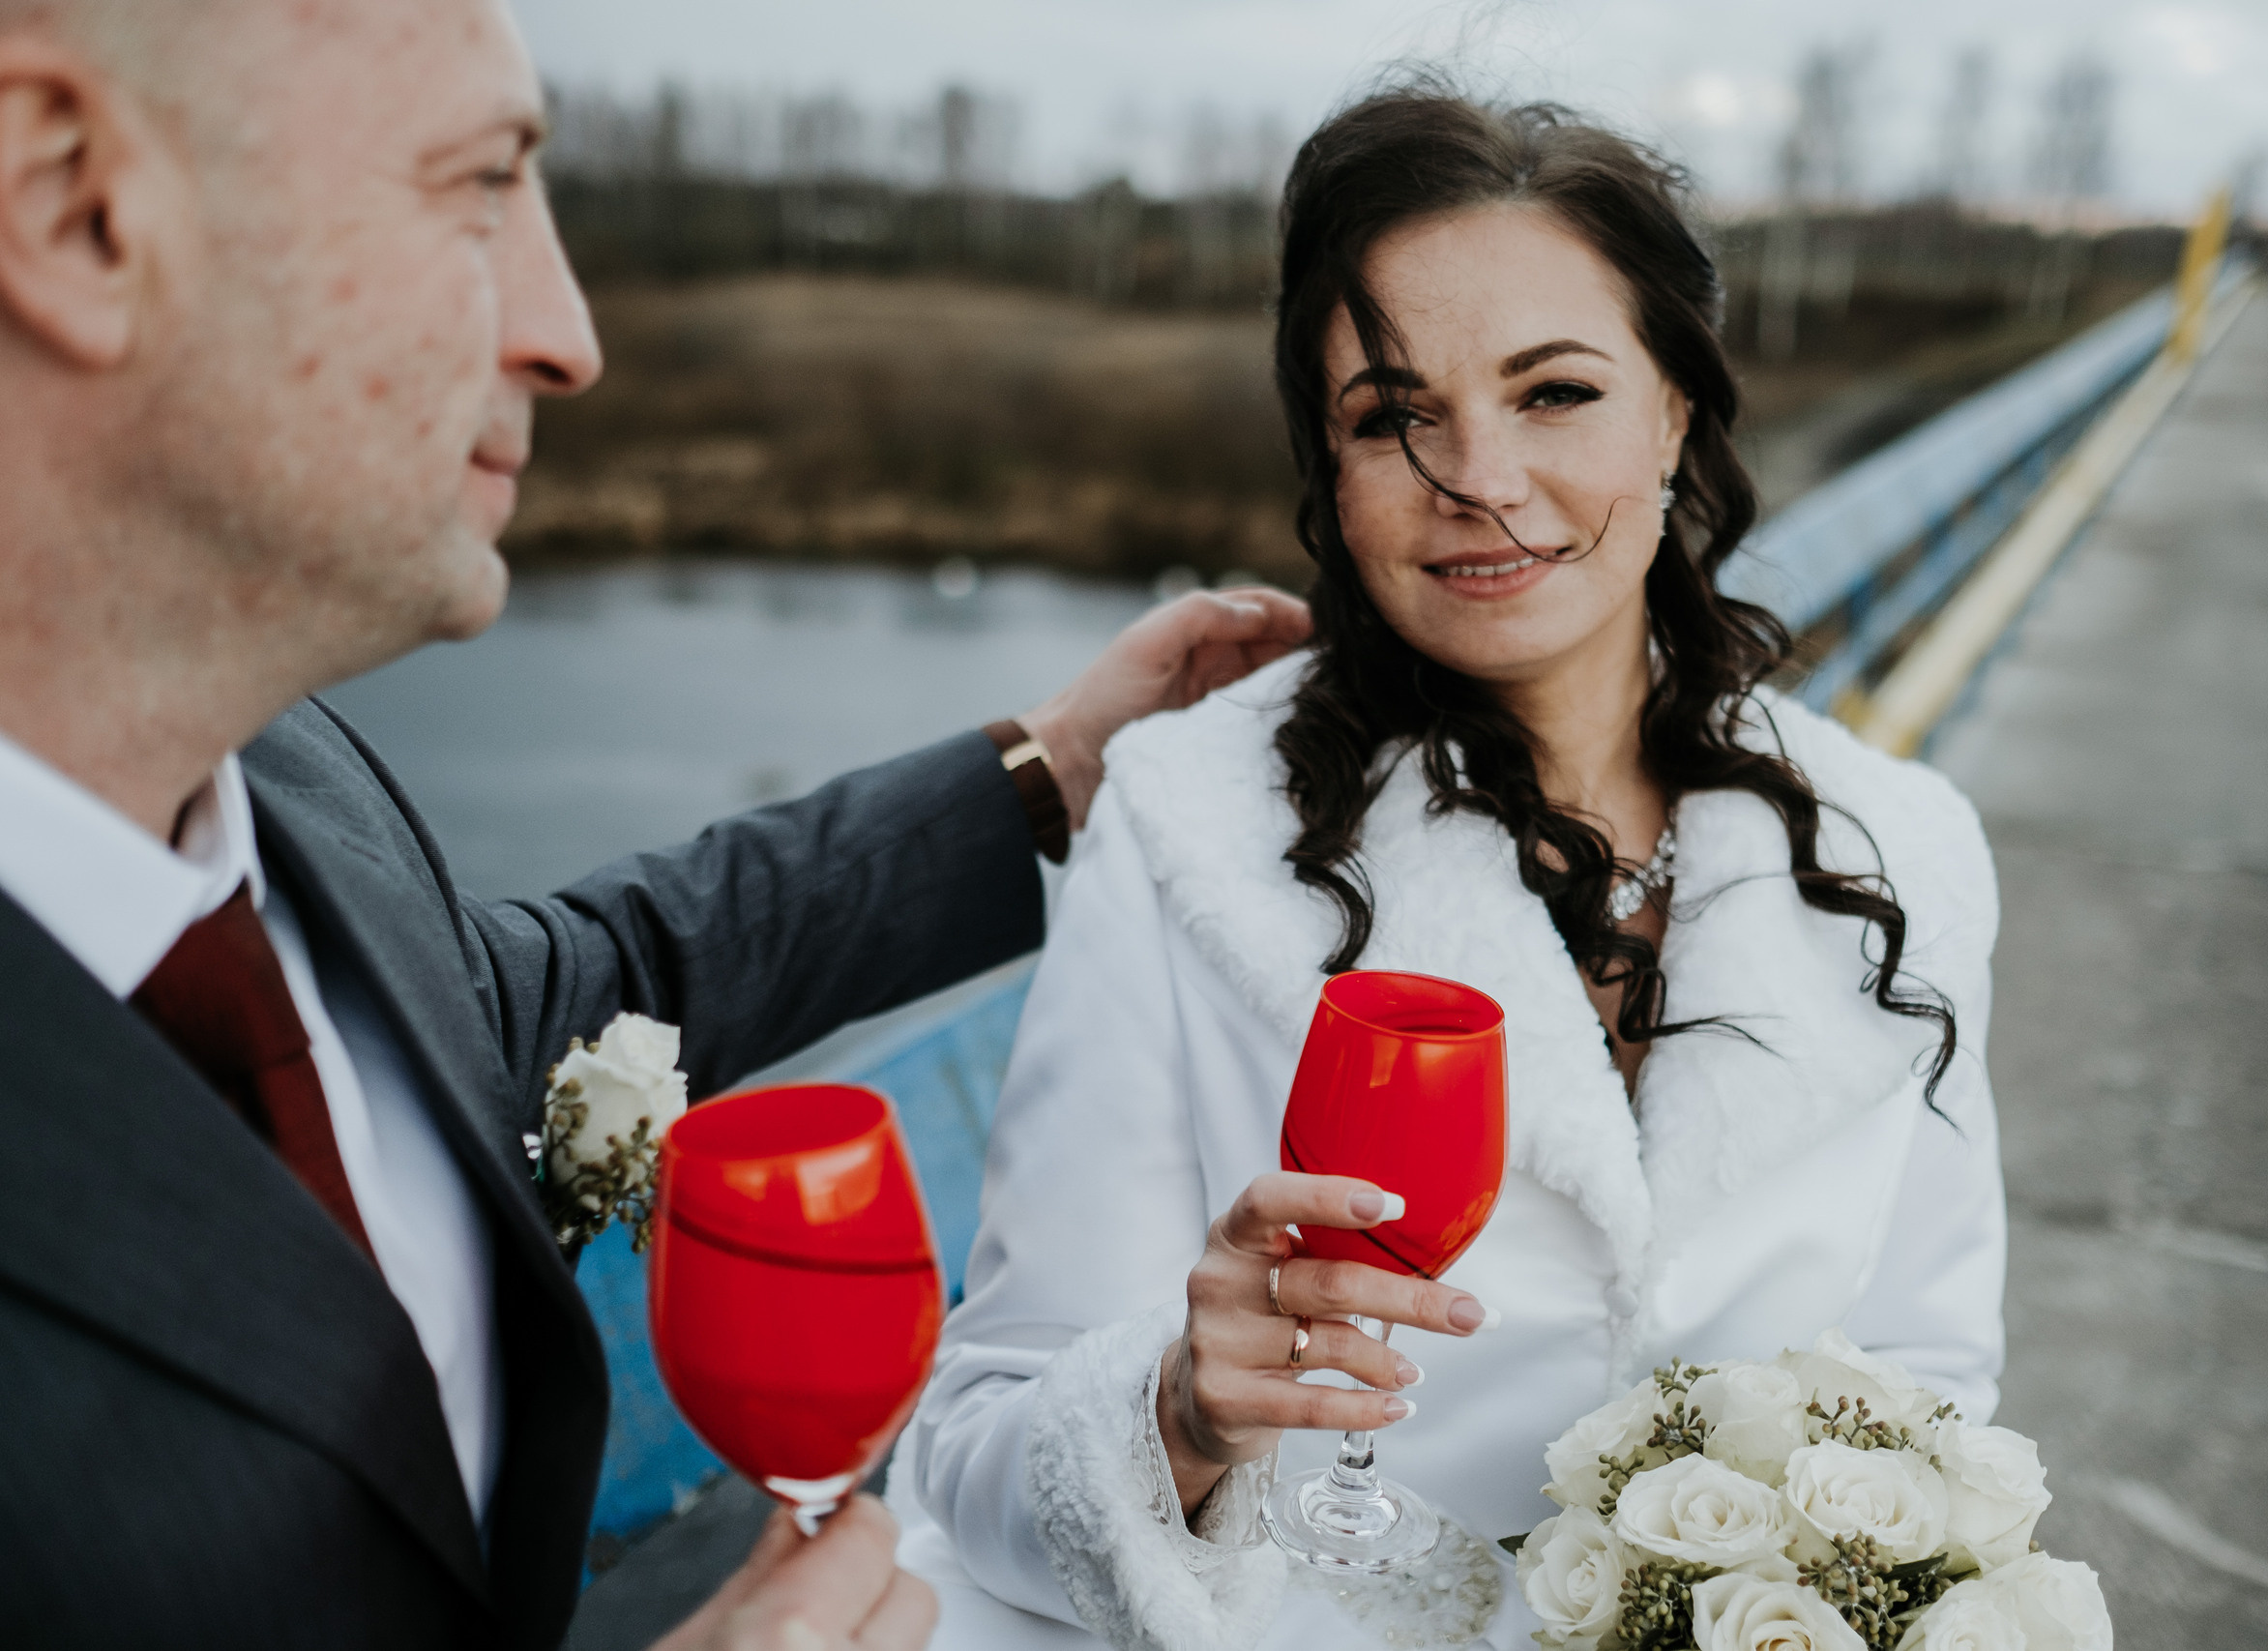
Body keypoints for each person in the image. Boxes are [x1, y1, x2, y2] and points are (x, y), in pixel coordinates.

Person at [0, 2, 1309, 1648]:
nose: (569, 337)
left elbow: (564, 990)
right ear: (73, 204)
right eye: (482, 186)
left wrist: (1050, 769)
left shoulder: (293, 783)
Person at [897, 88, 2007, 1649]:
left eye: (1554, 392)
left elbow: (1935, 1397)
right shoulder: (1182, 822)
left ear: (1676, 412)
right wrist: (1178, 1413)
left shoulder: (1909, 847)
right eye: (1391, 416)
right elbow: (980, 1454)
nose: (1477, 474)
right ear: (1330, 469)